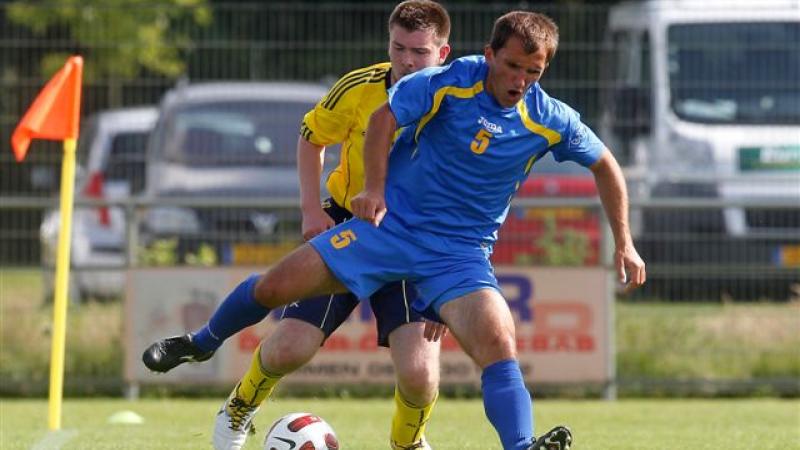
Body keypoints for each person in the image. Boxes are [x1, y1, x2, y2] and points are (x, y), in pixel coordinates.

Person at [145, 10, 646, 450]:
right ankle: (203, 341)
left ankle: (518, 446)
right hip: (387, 229)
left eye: (533, 72)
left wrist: (624, 240)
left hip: (459, 255)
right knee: (277, 290)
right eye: (512, 66)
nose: (520, 80)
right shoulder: (450, 81)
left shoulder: (550, 118)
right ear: (489, 54)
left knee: (493, 341)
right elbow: (383, 121)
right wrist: (377, 190)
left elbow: (605, 164)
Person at [145, 2, 451, 450]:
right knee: (289, 345)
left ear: (442, 53)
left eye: (419, 52)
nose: (406, 61)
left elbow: (474, 194)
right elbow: (311, 138)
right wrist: (311, 209)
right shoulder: (359, 87)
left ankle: (409, 443)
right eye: (398, 48)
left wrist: (451, 279)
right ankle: (237, 409)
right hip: (353, 224)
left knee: (420, 375)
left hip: (419, 241)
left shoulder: (459, 101)